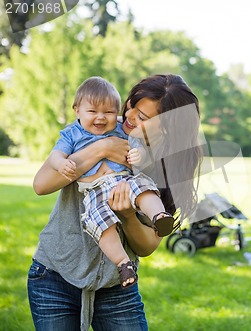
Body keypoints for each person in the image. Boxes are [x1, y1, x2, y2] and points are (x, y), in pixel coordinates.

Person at [29, 74, 202, 330]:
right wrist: (103, 148)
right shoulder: (99, 127)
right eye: (131, 105)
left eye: (143, 117)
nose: (129, 116)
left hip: (117, 285)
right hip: (55, 276)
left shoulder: (165, 166)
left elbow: (147, 246)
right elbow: (41, 184)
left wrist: (128, 217)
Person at [47, 76, 176, 289]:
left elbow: (139, 149)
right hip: (94, 191)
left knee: (144, 189)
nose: (101, 118)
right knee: (100, 223)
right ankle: (123, 263)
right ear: (76, 110)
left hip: (124, 181)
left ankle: (159, 216)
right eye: (92, 112)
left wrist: (140, 157)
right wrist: (62, 163)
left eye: (108, 112)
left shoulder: (120, 129)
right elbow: (53, 160)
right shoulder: (72, 133)